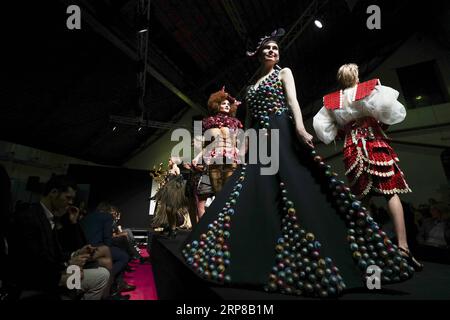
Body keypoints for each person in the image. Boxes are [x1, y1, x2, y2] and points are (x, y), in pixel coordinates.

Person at [182, 29, 415, 298]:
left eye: (275, 48)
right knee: (252, 190)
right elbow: (248, 120)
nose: (272, 51)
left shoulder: (285, 73)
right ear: (258, 54)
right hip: (258, 138)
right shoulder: (251, 87)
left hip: (281, 130)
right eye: (267, 48)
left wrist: (301, 129)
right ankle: (255, 253)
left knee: (293, 184)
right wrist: (243, 145)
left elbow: (293, 101)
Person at [313, 63, 423, 271]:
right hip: (373, 141)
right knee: (391, 192)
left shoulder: (331, 101)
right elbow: (387, 112)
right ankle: (403, 246)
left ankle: (365, 248)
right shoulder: (370, 88)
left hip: (351, 146)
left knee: (362, 197)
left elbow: (323, 128)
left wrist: (342, 128)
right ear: (356, 76)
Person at [7, 175, 110, 300]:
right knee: (100, 275)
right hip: (40, 280)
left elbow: (60, 252)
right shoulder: (29, 218)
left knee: (102, 273)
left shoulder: (50, 217)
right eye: (68, 197)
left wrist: (75, 254)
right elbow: (33, 263)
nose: (71, 202)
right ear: (53, 192)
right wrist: (68, 265)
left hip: (53, 272)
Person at [193, 88, 244, 194]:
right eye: (223, 103)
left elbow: (236, 144)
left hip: (231, 158)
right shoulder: (209, 122)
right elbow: (209, 146)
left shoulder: (235, 123)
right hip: (214, 159)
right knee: (218, 192)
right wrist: (197, 157)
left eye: (228, 104)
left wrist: (241, 155)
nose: (227, 105)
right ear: (217, 105)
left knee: (229, 190)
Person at [151, 157, 189, 238]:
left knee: (171, 210)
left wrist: (176, 183)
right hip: (168, 191)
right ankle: (172, 228)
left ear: (173, 161)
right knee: (168, 210)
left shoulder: (176, 168)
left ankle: (173, 229)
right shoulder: (170, 169)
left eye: (169, 160)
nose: (168, 161)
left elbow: (180, 180)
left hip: (174, 192)